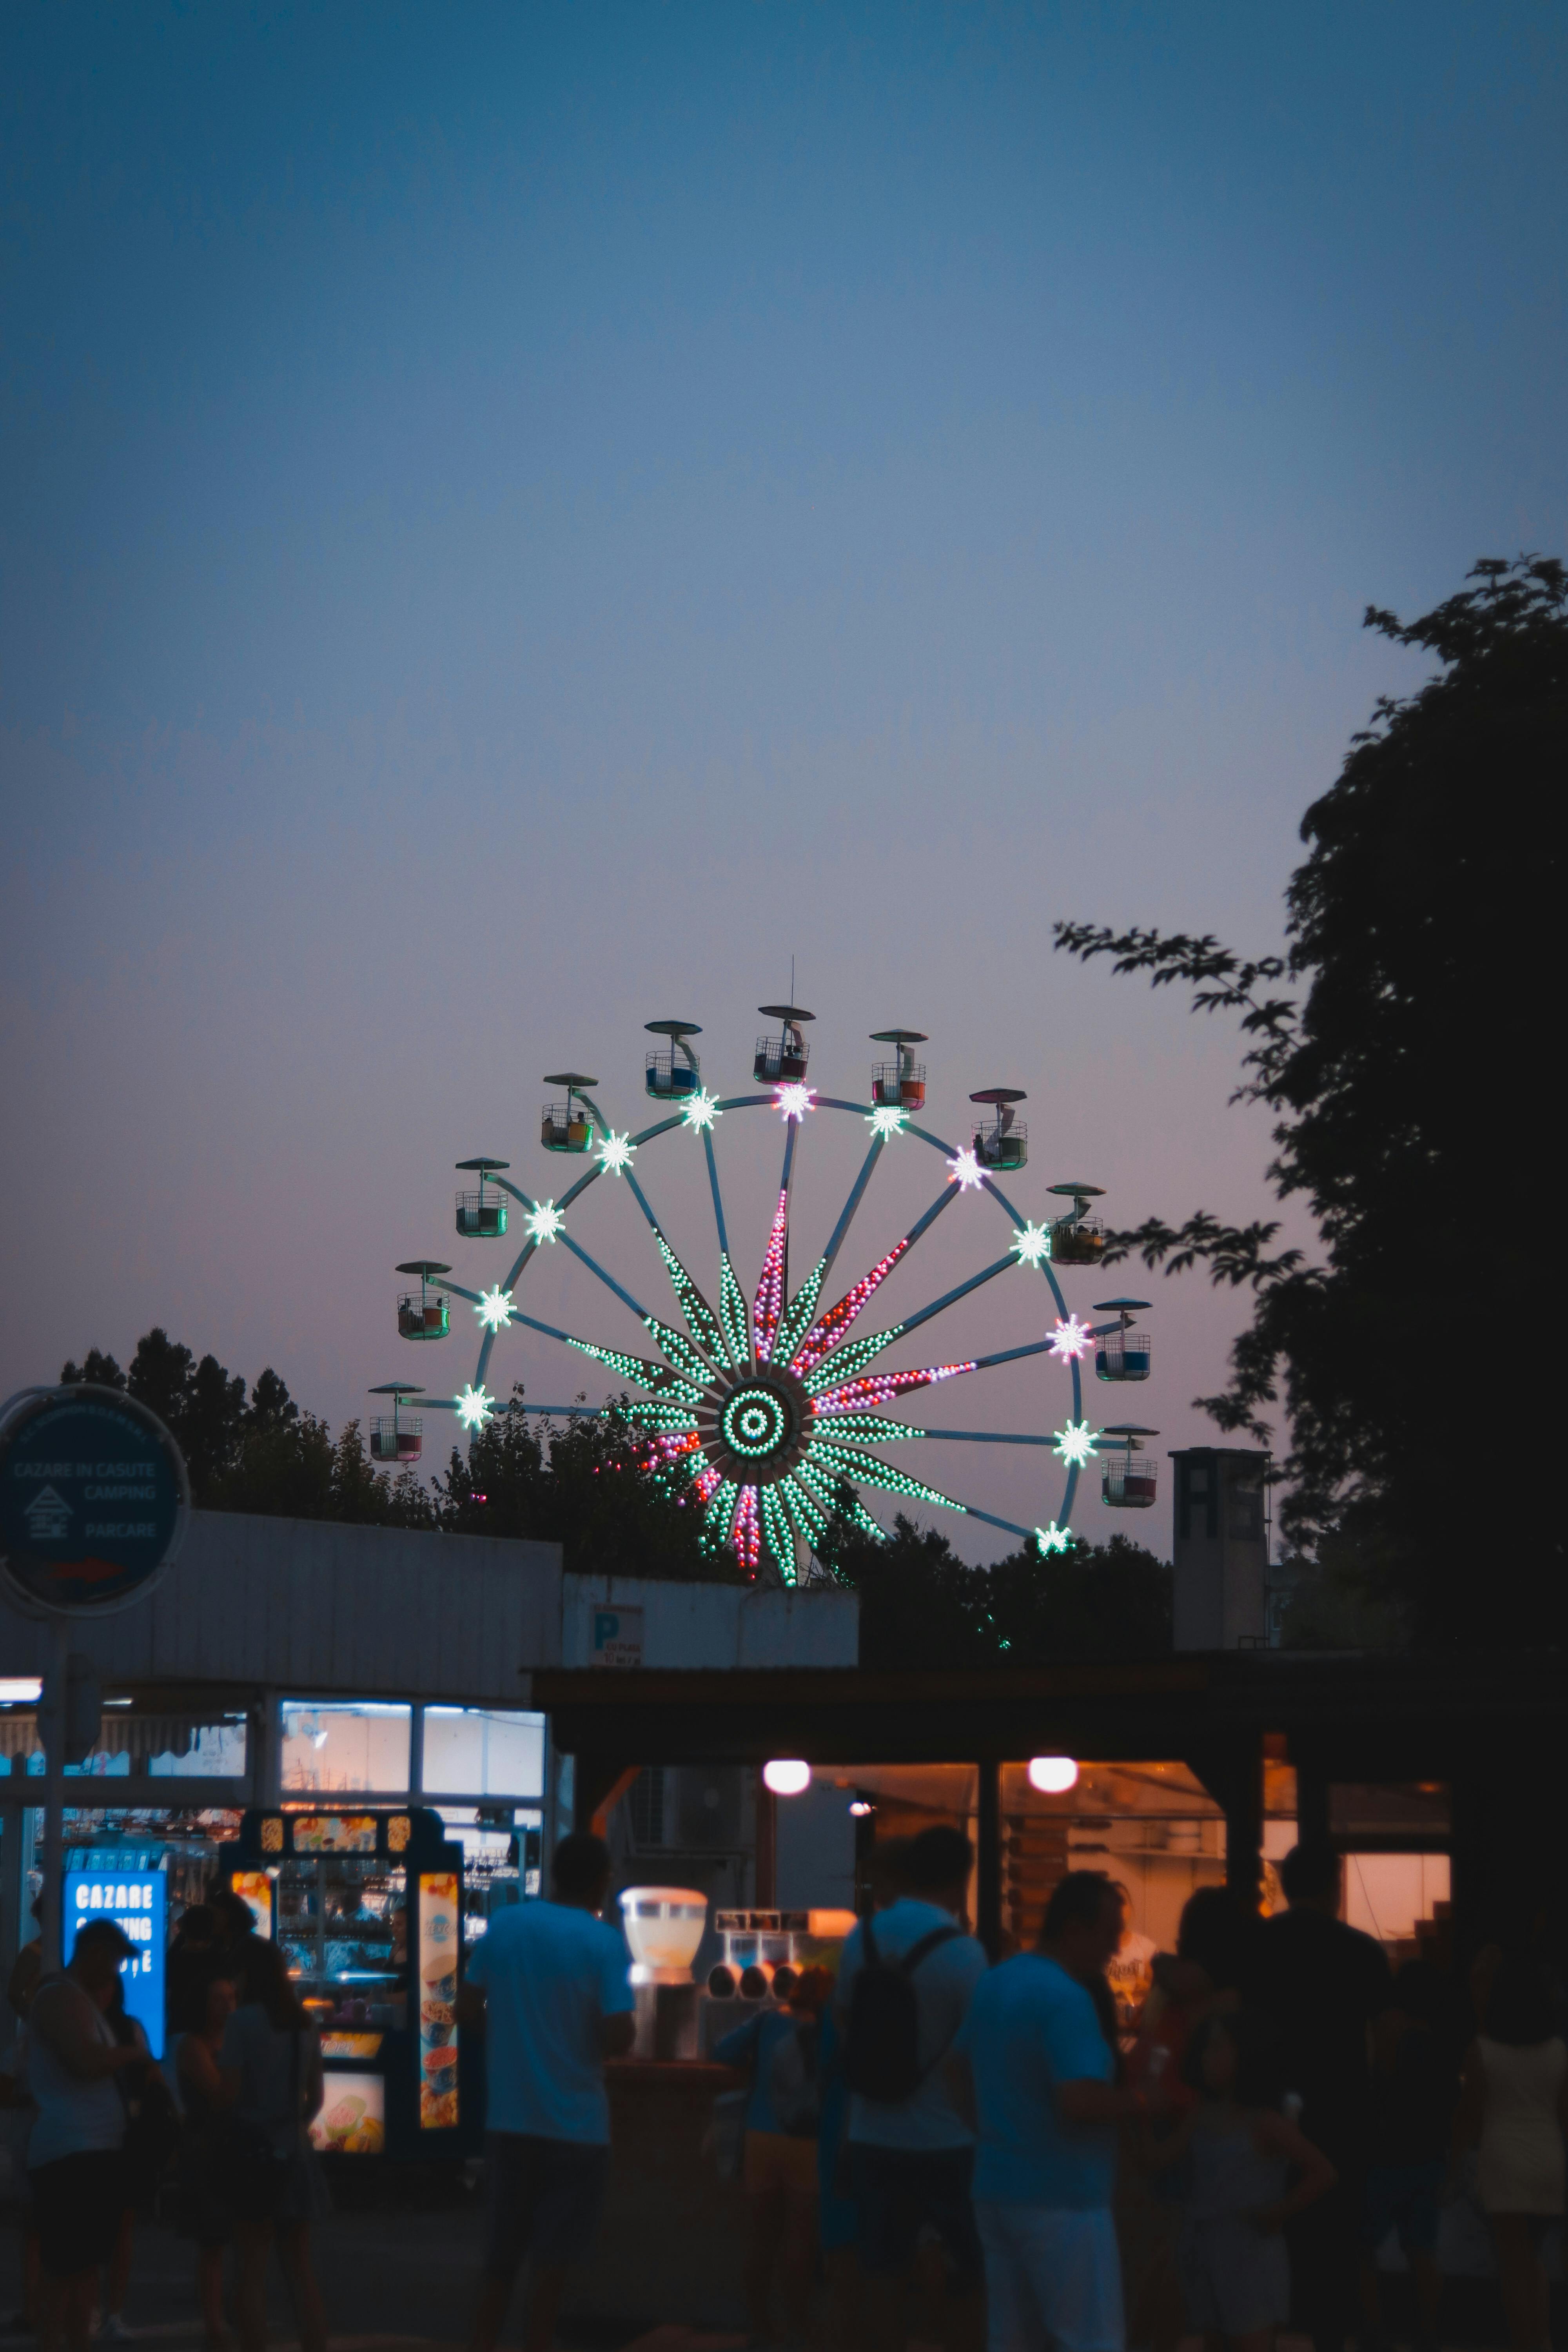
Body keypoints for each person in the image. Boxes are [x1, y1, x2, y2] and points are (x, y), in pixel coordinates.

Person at [953, 1871, 1149, 2352]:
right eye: (1108, 1934)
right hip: (1065, 2199)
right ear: (1074, 1931)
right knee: (1090, 2339)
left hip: (997, 2187)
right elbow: (1077, 2100)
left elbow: (953, 2071)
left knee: (1015, 2339)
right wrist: (1141, 2101)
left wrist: (989, 2130)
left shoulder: (996, 1982)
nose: (1114, 1947)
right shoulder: (1067, 1999)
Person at [458, 1831, 635, 2352]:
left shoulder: (507, 1924)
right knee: (552, 2267)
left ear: (555, 1874)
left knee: (500, 2261)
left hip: (510, 2122)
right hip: (577, 2127)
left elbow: (466, 2009)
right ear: (602, 1882)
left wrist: (508, 2036)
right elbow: (619, 2033)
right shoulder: (603, 1942)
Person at [836, 1824, 990, 2352]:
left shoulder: (864, 1936)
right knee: (964, 2276)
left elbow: (843, 2024)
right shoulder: (964, 1952)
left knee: (882, 2273)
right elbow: (979, 2051)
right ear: (960, 1880)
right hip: (947, 2140)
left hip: (873, 2132)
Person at [1249, 1839, 1392, 2352]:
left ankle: (1275, 2327)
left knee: (1277, 2224)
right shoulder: (1362, 1951)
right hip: (1345, 2107)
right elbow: (1385, 2038)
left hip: (1271, 2109)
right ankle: (1333, 2332)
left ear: (1286, 1887)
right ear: (1334, 1887)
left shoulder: (1258, 1946)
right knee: (1338, 2232)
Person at [1147, 2010, 1335, 2349]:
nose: (1207, 2056)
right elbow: (1157, 2159)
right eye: (1206, 2048)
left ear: (1245, 2055)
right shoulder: (1201, 2113)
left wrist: (1279, 2211)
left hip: (1249, 2254)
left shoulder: (1264, 2122)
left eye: (1217, 2047)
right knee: (1215, 2340)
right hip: (1207, 2248)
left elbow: (1323, 2172)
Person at [25, 1918, 146, 2352]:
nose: (117, 1971)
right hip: (73, 2155)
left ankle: (73, 2341)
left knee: (81, 2271)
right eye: (114, 1960)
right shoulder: (61, 1998)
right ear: (94, 1953)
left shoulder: (75, 2000)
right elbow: (86, 2062)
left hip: (88, 2151)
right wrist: (134, 2052)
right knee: (68, 2270)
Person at [217, 1934, 327, 2352]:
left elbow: (228, 2093)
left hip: (253, 2155)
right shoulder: (304, 2022)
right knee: (300, 2269)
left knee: (251, 2269)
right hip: (296, 2155)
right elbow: (316, 2097)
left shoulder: (242, 2023)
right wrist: (293, 2125)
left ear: (245, 1976)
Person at [1453, 1955, 1568, 2352]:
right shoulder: (1558, 2052)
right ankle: (1543, 2340)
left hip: (1502, 2160)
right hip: (1549, 2161)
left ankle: (1525, 2343)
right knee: (1533, 2259)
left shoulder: (1481, 2050)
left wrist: (1451, 2167)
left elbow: (1469, 2117)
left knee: (1512, 2264)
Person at [714, 1964, 830, 2346]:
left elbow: (722, 2050)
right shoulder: (832, 2029)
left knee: (762, 2239)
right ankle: (799, 2325)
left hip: (760, 2139)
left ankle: (760, 2325)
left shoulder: (767, 2021)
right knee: (800, 2238)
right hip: (808, 2143)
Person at [1358, 1960, 1459, 2352]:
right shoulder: (1442, 2045)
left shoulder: (1390, 2038)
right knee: (1422, 2251)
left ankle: (1373, 2328)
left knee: (1361, 2247)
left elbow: (1377, 2091)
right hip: (1429, 2158)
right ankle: (1429, 2333)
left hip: (1386, 2159)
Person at [177, 1965, 240, 2352]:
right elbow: (220, 2095)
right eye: (219, 2000)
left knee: (233, 2238)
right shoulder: (194, 2046)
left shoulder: (229, 2043)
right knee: (214, 2240)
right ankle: (214, 2321)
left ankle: (226, 2313)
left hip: (231, 2144)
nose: (227, 2007)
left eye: (232, 1999)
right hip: (208, 2146)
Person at [1104, 1883, 1158, 2038]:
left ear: (1131, 1908)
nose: (1119, 1909)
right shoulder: (1093, 1949)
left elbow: (1157, 1993)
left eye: (1123, 1902)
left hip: (1138, 2029)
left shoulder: (1147, 1948)